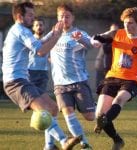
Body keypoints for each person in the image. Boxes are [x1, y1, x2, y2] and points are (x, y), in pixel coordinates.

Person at [2, 2, 81, 150]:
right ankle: (64, 141)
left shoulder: (20, 31)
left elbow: (38, 44)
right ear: (20, 16)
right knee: (43, 111)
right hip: (15, 83)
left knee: (52, 108)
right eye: (30, 15)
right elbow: (41, 51)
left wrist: (53, 33)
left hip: (23, 80)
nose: (33, 17)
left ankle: (49, 146)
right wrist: (57, 36)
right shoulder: (20, 30)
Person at [92, 7, 137, 150]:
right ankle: (117, 140)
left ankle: (103, 122)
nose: (127, 26)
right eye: (125, 22)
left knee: (119, 100)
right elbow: (100, 37)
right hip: (112, 77)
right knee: (99, 114)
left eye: (130, 23)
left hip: (131, 80)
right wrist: (95, 39)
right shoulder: (117, 33)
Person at [47, 3, 100, 150]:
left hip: (78, 82)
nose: (64, 19)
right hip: (59, 84)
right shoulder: (53, 34)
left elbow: (90, 43)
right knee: (67, 112)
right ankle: (85, 144)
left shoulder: (78, 33)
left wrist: (81, 40)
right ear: (58, 18)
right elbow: (41, 46)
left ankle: (97, 107)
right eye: (61, 16)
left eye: (67, 16)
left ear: (73, 18)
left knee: (90, 117)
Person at [28, 17, 50, 93]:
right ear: (33, 28)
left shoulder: (49, 41)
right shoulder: (29, 39)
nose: (39, 27)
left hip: (43, 72)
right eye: (36, 25)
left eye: (41, 25)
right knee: (31, 97)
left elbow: (50, 56)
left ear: (44, 27)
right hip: (31, 71)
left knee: (41, 97)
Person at [95, 23, 119, 88]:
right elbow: (95, 39)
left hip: (114, 71)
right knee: (100, 88)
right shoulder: (105, 40)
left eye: (116, 31)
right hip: (101, 68)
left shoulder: (120, 41)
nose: (114, 33)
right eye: (112, 31)